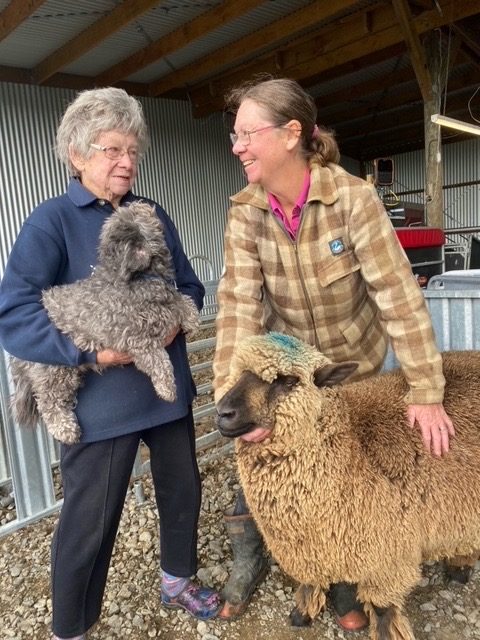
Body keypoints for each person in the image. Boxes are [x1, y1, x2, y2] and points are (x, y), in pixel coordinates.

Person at [212, 77, 456, 631]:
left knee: (343, 478)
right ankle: (309, 572)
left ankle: (350, 580)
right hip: (286, 379)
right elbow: (236, 311)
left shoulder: (353, 198)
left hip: (353, 366)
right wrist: (234, 397)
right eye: (235, 135)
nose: (237, 146)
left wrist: (425, 391)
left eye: (247, 133)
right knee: (285, 472)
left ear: (291, 133)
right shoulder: (246, 212)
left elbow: (397, 296)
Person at [0, 87, 221, 640]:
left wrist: (177, 319)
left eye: (133, 151)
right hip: (99, 407)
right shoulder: (51, 221)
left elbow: (189, 285)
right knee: (89, 521)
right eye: (111, 150)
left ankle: (177, 579)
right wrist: (89, 354)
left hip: (165, 394)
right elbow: (15, 311)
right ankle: (72, 626)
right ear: (77, 155)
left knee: (182, 490)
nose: (126, 162)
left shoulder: (152, 214)